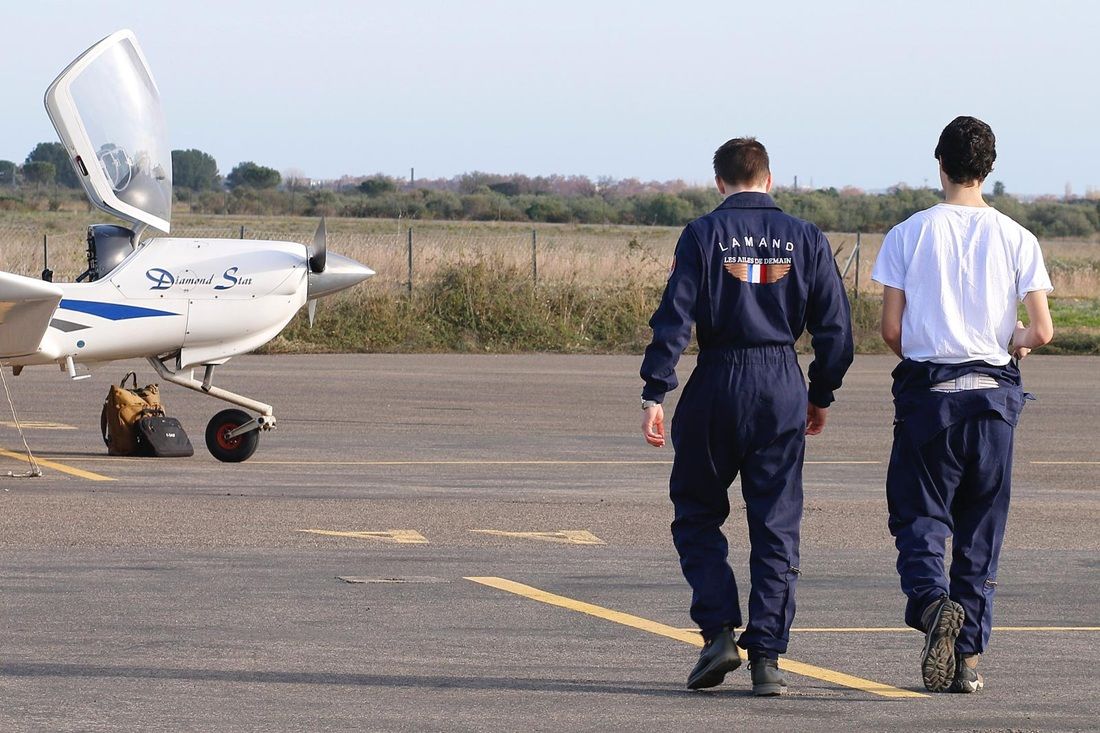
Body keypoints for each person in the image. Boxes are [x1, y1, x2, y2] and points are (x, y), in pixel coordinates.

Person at [639, 137, 853, 695]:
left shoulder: (702, 234)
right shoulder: (806, 237)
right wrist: (820, 392)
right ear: (770, 178)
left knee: (696, 512)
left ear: (719, 182)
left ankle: (717, 634)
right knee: (776, 524)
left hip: (716, 380)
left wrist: (655, 391)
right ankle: (768, 660)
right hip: (781, 381)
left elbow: (675, 317)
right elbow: (836, 330)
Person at [871, 116, 1054, 693]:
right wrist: (1013, 342)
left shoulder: (907, 234)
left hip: (931, 398)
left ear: (940, 164)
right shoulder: (1019, 238)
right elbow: (1042, 331)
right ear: (989, 169)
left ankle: (931, 608)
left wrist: (931, 346)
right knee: (981, 531)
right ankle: (969, 657)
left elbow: (891, 330)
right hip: (994, 401)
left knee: (920, 518)